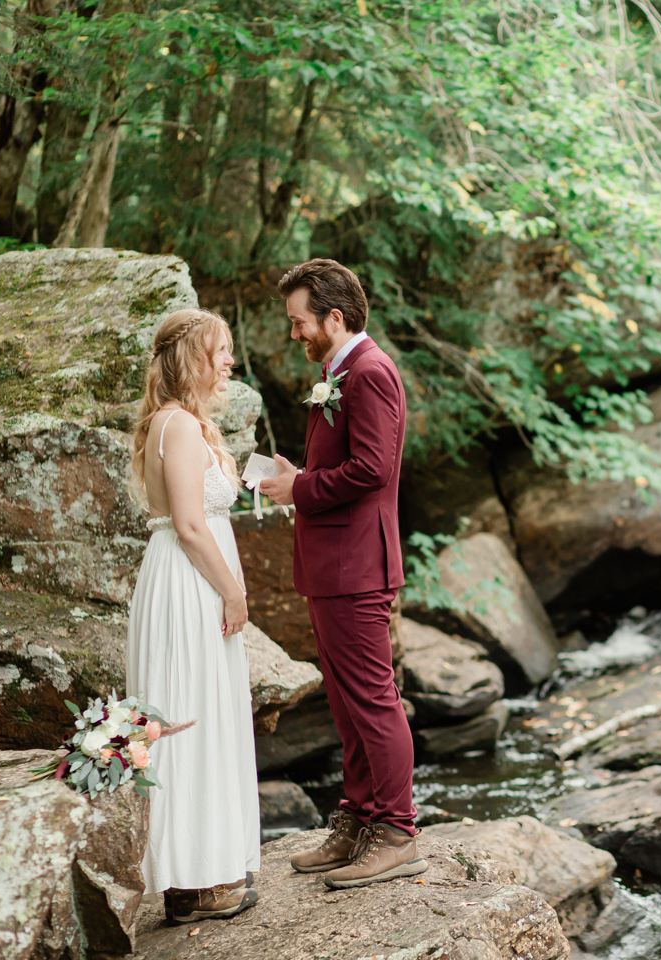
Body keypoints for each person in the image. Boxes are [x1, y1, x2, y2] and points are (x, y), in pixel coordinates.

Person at [260, 258, 426, 889]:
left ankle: (397, 831)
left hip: (357, 563)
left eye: (300, 322)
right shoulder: (339, 371)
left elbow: (373, 470)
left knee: (374, 698)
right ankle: (358, 820)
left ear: (335, 316)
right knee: (345, 699)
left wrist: (299, 487)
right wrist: (294, 474)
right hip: (331, 563)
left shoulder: (371, 371)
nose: (294, 334)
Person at [126, 308, 261, 922]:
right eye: (220, 350)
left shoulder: (187, 424)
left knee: (202, 713)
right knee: (191, 715)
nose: (229, 360)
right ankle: (193, 882)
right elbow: (186, 525)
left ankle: (201, 874)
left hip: (191, 576)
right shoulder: (177, 425)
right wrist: (233, 592)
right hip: (189, 583)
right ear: (190, 360)